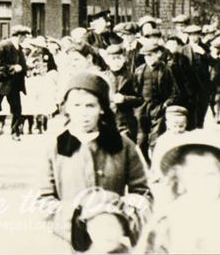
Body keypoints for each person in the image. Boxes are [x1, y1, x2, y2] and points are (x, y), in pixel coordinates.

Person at [35, 72, 151, 251]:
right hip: (69, 242)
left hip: (112, 240)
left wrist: (118, 216)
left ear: (102, 108)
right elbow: (43, 200)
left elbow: (143, 194)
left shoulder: (122, 145)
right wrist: (76, 217)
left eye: (90, 106)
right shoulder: (56, 148)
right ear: (66, 108)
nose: (83, 113)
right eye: (77, 105)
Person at [139, 130, 220, 253]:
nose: (202, 183)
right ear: (180, 177)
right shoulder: (169, 216)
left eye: (210, 175)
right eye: (194, 174)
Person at [133, 41, 179, 163]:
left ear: (158, 54)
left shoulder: (165, 70)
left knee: (156, 139)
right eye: (146, 56)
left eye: (151, 55)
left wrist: (166, 104)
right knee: (141, 139)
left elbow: (174, 91)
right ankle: (145, 163)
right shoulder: (139, 71)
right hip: (142, 108)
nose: (148, 58)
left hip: (158, 108)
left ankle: (156, 163)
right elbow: (134, 90)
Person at [99, 43, 140, 141]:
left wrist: (125, 98)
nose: (116, 62)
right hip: (107, 120)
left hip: (126, 121)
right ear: (107, 61)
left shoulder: (132, 77)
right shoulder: (103, 77)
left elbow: (140, 99)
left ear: (124, 59)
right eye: (113, 59)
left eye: (119, 58)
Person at [0, 26, 29, 140]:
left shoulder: (19, 48)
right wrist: (12, 68)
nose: (24, 39)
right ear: (19, 36)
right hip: (3, 83)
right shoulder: (4, 45)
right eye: (24, 36)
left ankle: (15, 132)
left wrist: (25, 70)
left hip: (15, 84)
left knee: (17, 109)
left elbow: (23, 65)